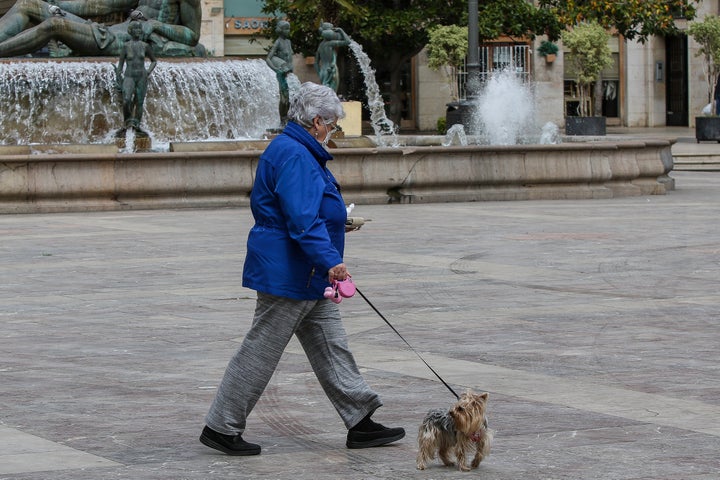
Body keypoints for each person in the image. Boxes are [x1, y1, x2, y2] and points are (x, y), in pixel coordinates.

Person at [200, 82, 405, 456]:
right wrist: (331, 260)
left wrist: (335, 225)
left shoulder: (299, 150)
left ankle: (360, 419)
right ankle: (221, 426)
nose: (333, 132)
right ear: (315, 121)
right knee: (260, 350)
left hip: (305, 270)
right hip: (292, 270)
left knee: (331, 344)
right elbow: (300, 221)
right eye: (332, 125)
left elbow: (306, 213)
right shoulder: (295, 155)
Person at [0, 0, 202, 58]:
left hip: (121, 42)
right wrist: (59, 3)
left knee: (55, 25)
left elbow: (192, 36)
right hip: (110, 32)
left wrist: (157, 25)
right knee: (28, 4)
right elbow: (102, 5)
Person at [115, 20, 156, 134]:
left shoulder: (145, 46)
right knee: (126, 100)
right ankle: (127, 122)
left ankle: (137, 125)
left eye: (139, 29)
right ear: (131, 31)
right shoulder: (125, 46)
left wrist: (148, 72)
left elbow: (154, 61)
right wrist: (118, 76)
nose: (138, 31)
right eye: (135, 29)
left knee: (139, 102)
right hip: (129, 76)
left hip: (142, 77)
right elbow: (120, 64)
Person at [265, 20, 293, 125]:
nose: (288, 31)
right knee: (284, 99)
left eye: (289, 28)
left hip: (290, 74)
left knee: (291, 99)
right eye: (286, 29)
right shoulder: (278, 42)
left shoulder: (288, 42)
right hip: (282, 74)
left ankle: (289, 118)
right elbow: (268, 58)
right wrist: (276, 69)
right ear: (281, 30)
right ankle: (283, 119)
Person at [315, 22, 350, 92]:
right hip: (331, 69)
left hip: (322, 71)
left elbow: (316, 63)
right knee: (332, 93)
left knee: (325, 94)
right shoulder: (331, 43)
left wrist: (319, 72)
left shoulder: (320, 46)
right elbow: (347, 41)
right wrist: (341, 30)